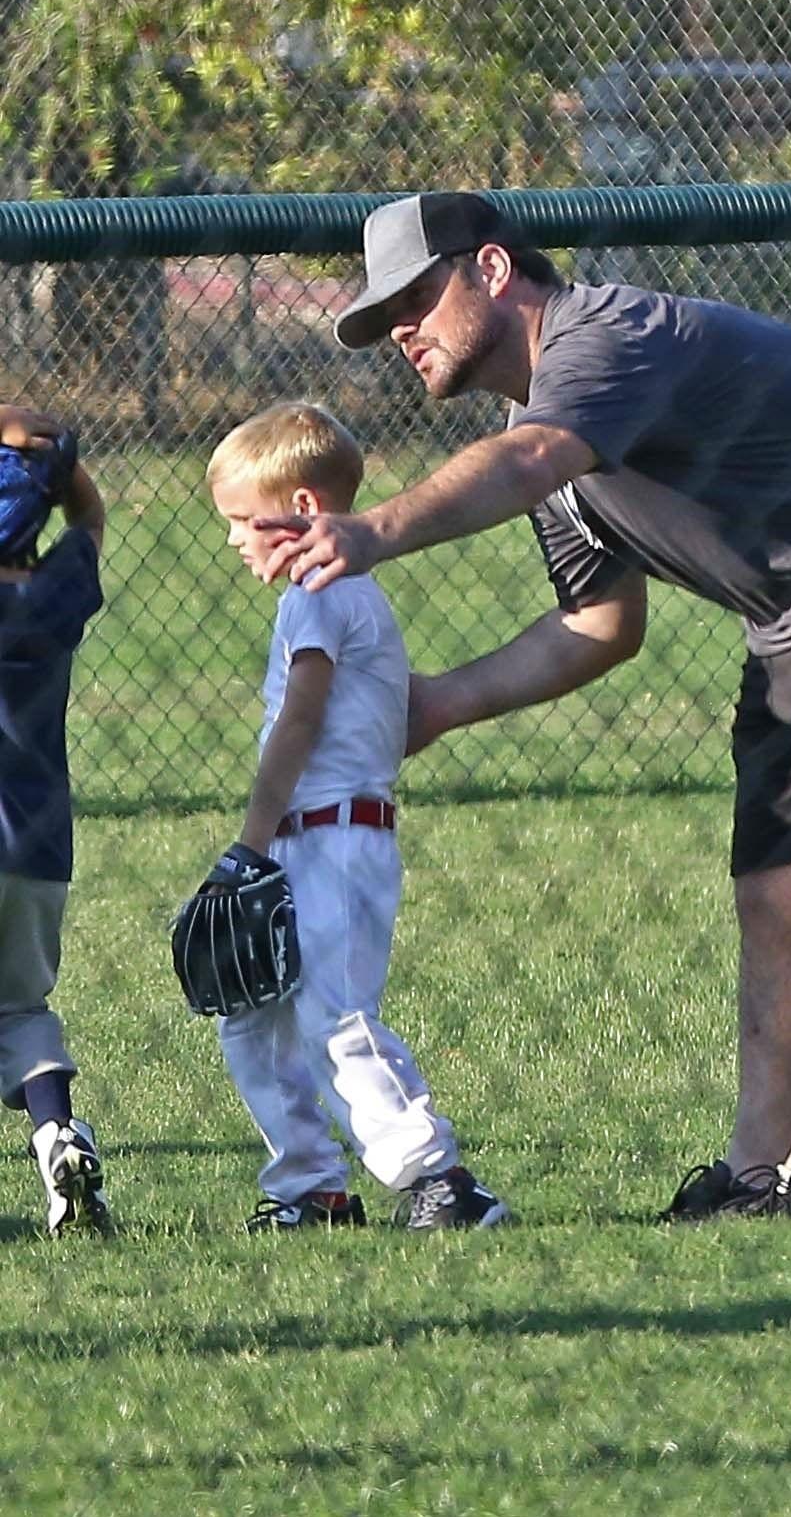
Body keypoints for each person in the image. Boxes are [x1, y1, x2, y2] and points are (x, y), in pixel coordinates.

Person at [257, 192, 791, 1220]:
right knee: (771, 895)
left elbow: (526, 466)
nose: (399, 328)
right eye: (382, 312)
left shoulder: (602, 340)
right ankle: (754, 1171)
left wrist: (375, 530)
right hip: (789, 620)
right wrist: (438, 705)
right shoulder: (546, 429)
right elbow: (600, 623)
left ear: (488, 269)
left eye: (416, 296)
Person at [205, 401, 508, 1231]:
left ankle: (440, 1181)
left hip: (335, 837)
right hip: (315, 834)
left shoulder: (321, 594)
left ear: (302, 510)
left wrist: (247, 842)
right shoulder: (328, 597)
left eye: (240, 519)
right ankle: (312, 1186)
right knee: (252, 1014)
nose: (231, 538)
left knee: (333, 1014)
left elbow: (301, 719)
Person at [0, 408, 110, 1236]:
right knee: (21, 1008)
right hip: (36, 847)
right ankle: (56, 1133)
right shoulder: (55, 595)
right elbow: (92, 515)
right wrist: (52, 467)